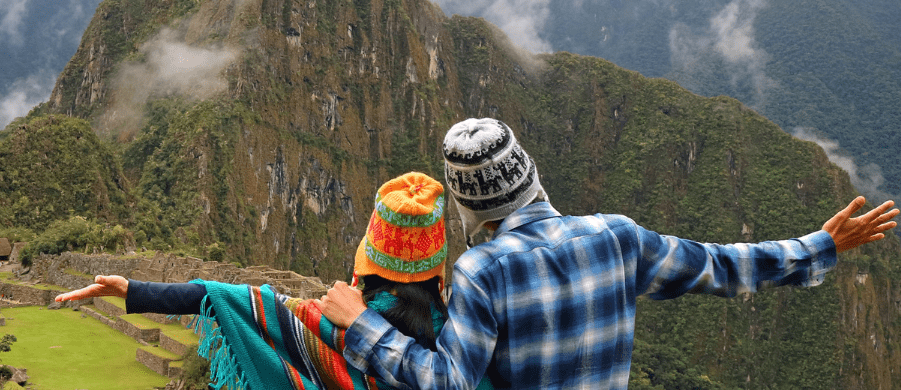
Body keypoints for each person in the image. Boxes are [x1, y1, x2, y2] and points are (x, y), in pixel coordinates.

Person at [318, 117, 900, 390]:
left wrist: (362, 325)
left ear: (468, 211)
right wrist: (820, 245)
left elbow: (447, 383)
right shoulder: (615, 237)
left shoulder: (482, 270)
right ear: (532, 178)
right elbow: (721, 266)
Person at [55, 172, 492, 390]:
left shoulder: (331, 325)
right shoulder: (469, 333)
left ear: (369, 259)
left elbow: (243, 300)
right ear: (437, 265)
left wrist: (132, 289)